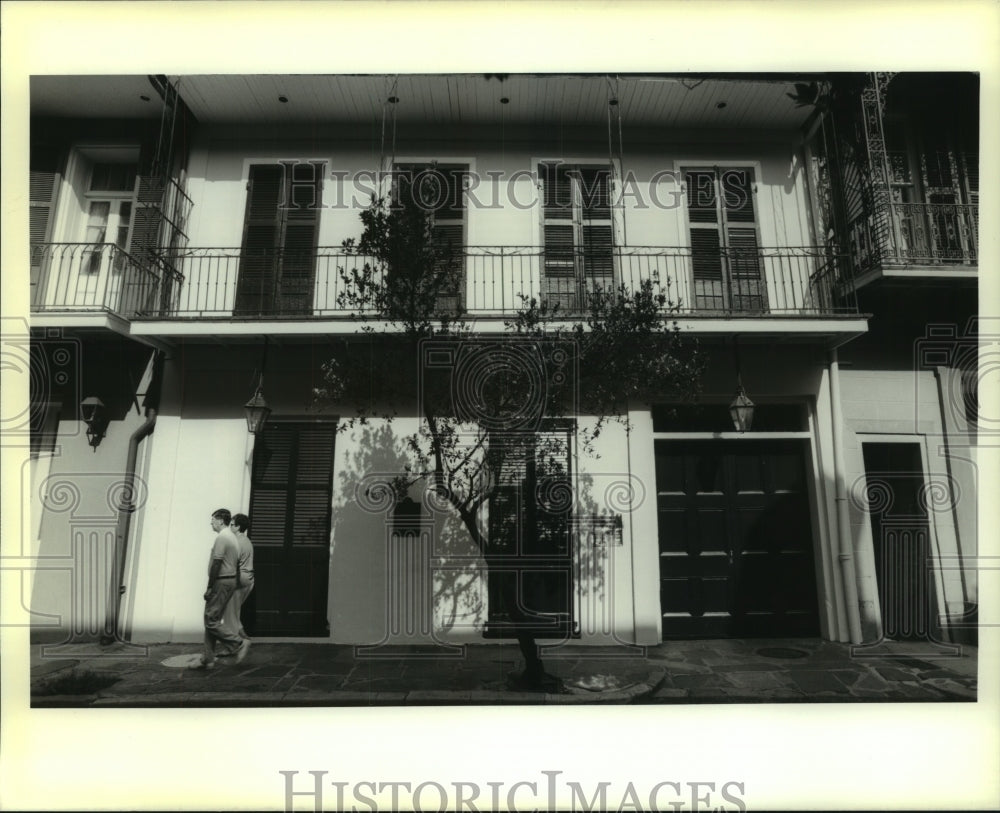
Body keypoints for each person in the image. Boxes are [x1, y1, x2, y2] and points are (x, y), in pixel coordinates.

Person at [196, 508, 250, 668]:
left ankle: (238, 642)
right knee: (211, 619)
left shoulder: (222, 537)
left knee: (211, 620)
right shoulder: (232, 537)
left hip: (221, 581)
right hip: (229, 580)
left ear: (220, 521)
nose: (211, 522)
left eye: (213, 519)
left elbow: (217, 562)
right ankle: (208, 658)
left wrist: (209, 586)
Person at [221, 512, 255, 647]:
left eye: (232, 525)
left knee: (229, 614)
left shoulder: (236, 542)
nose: (230, 528)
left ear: (238, 526)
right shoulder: (247, 541)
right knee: (234, 611)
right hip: (248, 580)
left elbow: (231, 565)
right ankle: (242, 633)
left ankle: (232, 646)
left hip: (238, 580)